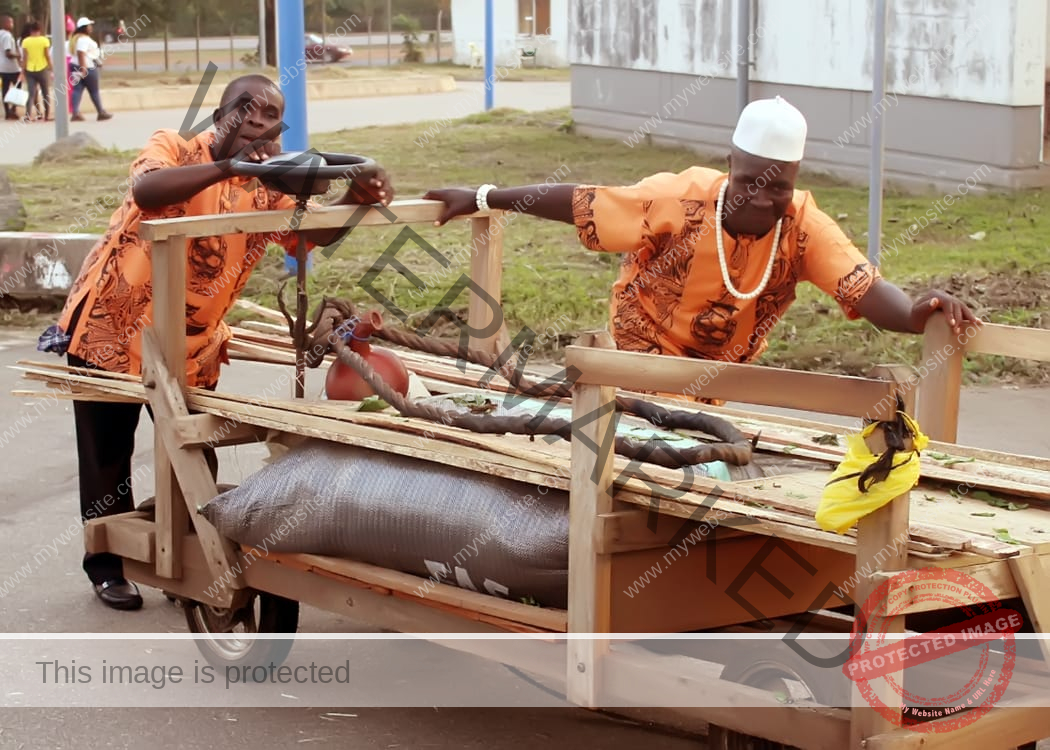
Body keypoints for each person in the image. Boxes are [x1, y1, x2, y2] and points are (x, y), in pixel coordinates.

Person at [37, 73, 394, 611]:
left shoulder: (272, 181)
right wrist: (231, 164)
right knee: (107, 452)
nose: (255, 121)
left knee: (192, 452)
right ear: (221, 113)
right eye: (243, 110)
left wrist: (355, 197)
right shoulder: (174, 147)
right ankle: (107, 566)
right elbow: (146, 190)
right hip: (110, 327)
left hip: (191, 342)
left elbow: (311, 235)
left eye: (269, 114)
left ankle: (187, 560)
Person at [423, 96, 982, 400]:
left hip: (719, 378)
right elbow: (584, 201)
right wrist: (483, 195)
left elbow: (859, 284)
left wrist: (914, 314)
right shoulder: (679, 197)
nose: (764, 200)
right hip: (641, 358)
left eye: (780, 186)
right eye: (750, 184)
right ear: (731, 167)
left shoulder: (805, 226)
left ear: (795, 180)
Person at [68, 17, 111, 121]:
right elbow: (81, 53)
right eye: (89, 26)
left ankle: (75, 112)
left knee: (77, 89)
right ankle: (100, 112)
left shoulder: (76, 39)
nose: (91, 27)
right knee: (94, 91)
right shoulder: (83, 40)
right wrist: (83, 69)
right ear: (84, 28)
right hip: (87, 67)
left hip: (75, 65)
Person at [19, 22, 51, 122]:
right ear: (40, 30)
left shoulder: (26, 41)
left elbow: (25, 58)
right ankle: (47, 116)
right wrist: (51, 67)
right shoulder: (44, 40)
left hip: (30, 70)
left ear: (30, 30)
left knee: (31, 93)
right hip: (43, 68)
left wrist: (22, 72)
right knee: (46, 93)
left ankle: (28, 115)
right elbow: (47, 56)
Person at [0, 15, 23, 121]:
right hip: (11, 67)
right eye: (11, 23)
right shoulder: (7, 36)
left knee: (5, 89)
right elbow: (8, 53)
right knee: (17, 87)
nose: (12, 25)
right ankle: (12, 110)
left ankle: (7, 111)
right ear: (5, 24)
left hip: (2, 67)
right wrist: (19, 56)